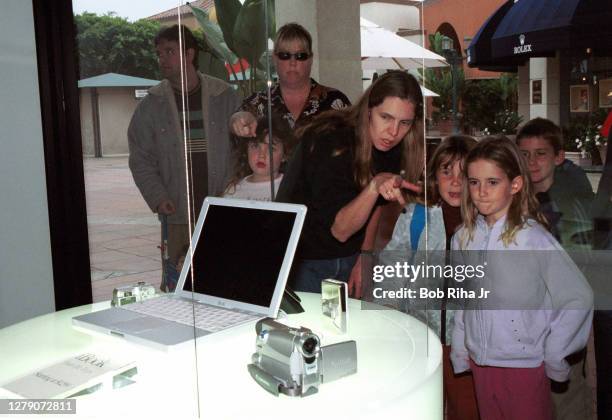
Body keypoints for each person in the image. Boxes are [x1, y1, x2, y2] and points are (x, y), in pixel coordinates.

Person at [450, 136, 593, 419]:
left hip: (524, 365)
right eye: (474, 182)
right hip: (481, 362)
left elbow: (579, 296)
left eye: (492, 182)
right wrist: (460, 346)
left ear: (514, 185)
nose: (481, 192)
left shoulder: (533, 238)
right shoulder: (463, 238)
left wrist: (554, 353)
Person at [279, 71, 423, 293]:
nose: (393, 132)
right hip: (301, 260)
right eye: (385, 117)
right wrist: (374, 186)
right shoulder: (331, 141)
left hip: (346, 256)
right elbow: (341, 230)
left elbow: (376, 206)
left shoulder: (391, 146)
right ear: (368, 110)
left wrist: (363, 258)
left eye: (404, 123)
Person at [128, 24, 241, 292]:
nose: (162, 59)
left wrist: (235, 192)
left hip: (221, 209)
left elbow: (243, 150)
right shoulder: (150, 105)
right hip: (177, 213)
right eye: (159, 53)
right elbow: (140, 158)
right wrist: (157, 196)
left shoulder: (224, 96)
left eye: (169, 51)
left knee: (225, 279)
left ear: (189, 54)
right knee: (179, 284)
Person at [380, 135, 479, 419]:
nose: (455, 182)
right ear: (434, 175)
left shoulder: (486, 223)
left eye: (465, 173)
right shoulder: (416, 216)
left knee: (466, 410)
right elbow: (392, 270)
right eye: (447, 171)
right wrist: (390, 318)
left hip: (467, 344)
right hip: (422, 338)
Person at [230, 22, 350, 138]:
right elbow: (236, 120)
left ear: (310, 59)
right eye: (285, 55)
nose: (292, 63)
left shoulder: (335, 102)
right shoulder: (257, 103)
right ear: (275, 59)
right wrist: (238, 121)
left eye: (300, 56)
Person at [516, 117, 594, 246]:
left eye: (540, 153)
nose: (531, 161)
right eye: (524, 154)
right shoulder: (509, 199)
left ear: (558, 157)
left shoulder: (576, 202)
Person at [224, 115, 295, 201]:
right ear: (246, 150)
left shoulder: (291, 188)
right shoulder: (233, 190)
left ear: (284, 155)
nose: (262, 155)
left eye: (271, 149)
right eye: (255, 146)